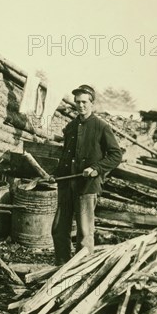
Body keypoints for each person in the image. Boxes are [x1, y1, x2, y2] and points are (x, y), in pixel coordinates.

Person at [51, 84, 122, 265]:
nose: (80, 105)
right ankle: (61, 267)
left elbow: (116, 155)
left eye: (84, 102)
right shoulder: (71, 127)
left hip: (87, 187)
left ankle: (81, 270)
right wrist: (56, 174)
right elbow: (66, 155)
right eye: (77, 102)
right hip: (66, 186)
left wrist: (97, 168)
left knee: (84, 233)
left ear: (92, 104)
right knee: (59, 229)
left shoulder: (101, 127)